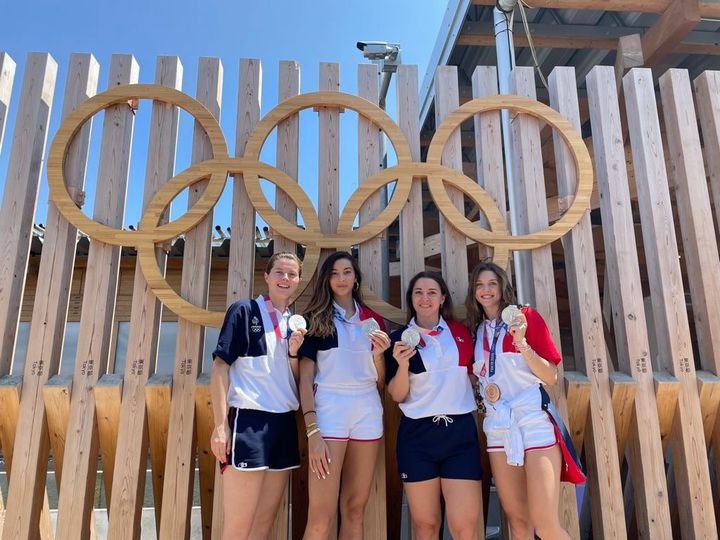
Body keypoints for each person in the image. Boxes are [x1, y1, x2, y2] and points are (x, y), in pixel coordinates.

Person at [465, 261, 584, 540]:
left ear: (503, 287)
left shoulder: (525, 317)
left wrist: (522, 344)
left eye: (492, 284)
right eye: (480, 285)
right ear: (473, 292)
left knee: (545, 525)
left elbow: (551, 376)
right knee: (518, 522)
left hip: (533, 422)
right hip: (498, 428)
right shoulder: (477, 331)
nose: (486, 290)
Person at [210, 252, 307, 540]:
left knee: (264, 524)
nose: (285, 279)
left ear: (299, 280)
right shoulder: (244, 311)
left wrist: (293, 353)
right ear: (266, 276)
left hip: (284, 424)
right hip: (248, 421)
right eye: (279, 272)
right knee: (238, 528)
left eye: (291, 274)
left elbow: (296, 380)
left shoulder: (296, 323)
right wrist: (220, 426)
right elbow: (219, 367)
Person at [297, 251, 391, 540]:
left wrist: (378, 355)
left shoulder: (373, 321)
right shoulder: (314, 319)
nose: (341, 278)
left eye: (347, 272)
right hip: (329, 413)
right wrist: (313, 431)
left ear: (356, 277)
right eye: (335, 273)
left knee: (354, 510)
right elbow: (305, 378)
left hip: (367, 411)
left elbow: (380, 381)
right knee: (321, 517)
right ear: (326, 279)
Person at [385, 271, 481, 540]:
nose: (425, 298)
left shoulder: (461, 333)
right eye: (418, 292)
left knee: (464, 528)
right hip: (417, 437)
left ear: (442, 298)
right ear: (411, 299)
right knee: (426, 526)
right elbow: (397, 395)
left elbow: (474, 374)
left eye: (431, 292)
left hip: (459, 433)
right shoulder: (399, 338)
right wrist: (403, 365)